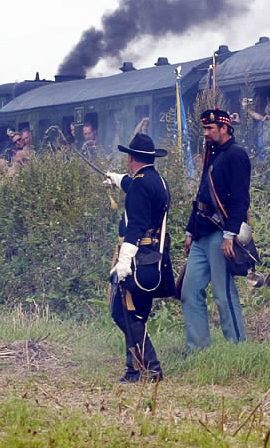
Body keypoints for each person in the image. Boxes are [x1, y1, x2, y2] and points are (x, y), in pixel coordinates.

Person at [102, 134, 174, 382]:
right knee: (135, 314)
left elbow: (135, 226)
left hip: (137, 259)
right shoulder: (155, 181)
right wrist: (116, 178)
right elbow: (133, 186)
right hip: (151, 258)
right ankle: (133, 370)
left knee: (123, 313)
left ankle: (151, 367)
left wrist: (123, 263)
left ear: (131, 157)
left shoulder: (141, 185)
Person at [181, 109, 251, 353]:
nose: (206, 133)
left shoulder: (236, 154)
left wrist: (230, 235)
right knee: (189, 291)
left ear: (224, 128)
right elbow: (201, 196)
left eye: (210, 128)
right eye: (204, 128)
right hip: (201, 231)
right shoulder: (212, 153)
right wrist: (190, 231)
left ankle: (238, 349)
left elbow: (240, 200)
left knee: (223, 295)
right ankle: (197, 349)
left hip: (221, 232)